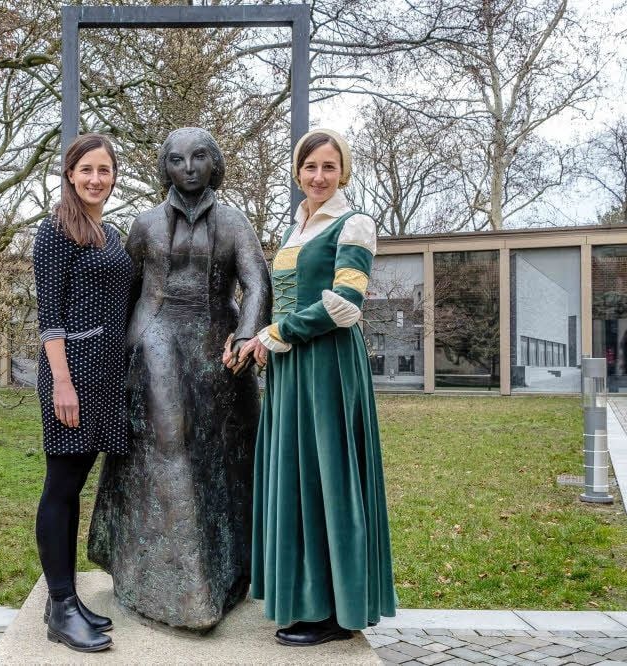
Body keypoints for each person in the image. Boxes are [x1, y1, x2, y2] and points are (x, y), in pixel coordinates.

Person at [88, 127, 271, 629]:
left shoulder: (233, 222)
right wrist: (116, 353)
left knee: (226, 450)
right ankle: (177, 586)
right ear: (164, 167)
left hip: (218, 340)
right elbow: (125, 289)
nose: (188, 168)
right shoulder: (145, 223)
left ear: (214, 163)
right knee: (169, 442)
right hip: (157, 334)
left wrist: (247, 335)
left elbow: (256, 282)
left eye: (198, 157)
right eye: (176, 159)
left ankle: (228, 571)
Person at [232, 128, 397, 646]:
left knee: (329, 479)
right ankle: (305, 599)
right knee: (299, 477)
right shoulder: (297, 225)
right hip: (291, 367)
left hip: (327, 366)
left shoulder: (354, 224)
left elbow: (346, 304)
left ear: (342, 171)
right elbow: (287, 296)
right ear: (297, 172)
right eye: (310, 167)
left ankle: (334, 611)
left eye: (329, 166)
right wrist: (265, 337)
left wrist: (277, 333)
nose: (319, 176)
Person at [32, 133, 132, 653]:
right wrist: (62, 382)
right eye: (86, 169)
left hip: (108, 376)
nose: (96, 179)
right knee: (61, 486)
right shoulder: (55, 231)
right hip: (72, 374)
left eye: (104, 170)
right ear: (70, 174)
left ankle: (64, 599)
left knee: (75, 488)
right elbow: (49, 318)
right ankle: (61, 605)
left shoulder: (110, 233)